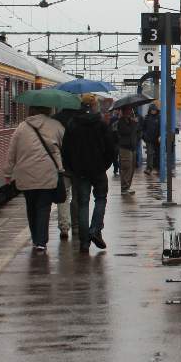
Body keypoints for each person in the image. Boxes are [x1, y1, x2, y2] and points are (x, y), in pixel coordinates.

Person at [3, 105, 64, 252]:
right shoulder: (56, 125)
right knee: (44, 207)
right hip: (47, 173)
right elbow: (64, 145)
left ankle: (35, 238)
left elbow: (12, 152)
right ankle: (41, 242)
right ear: (48, 109)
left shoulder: (21, 128)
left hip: (25, 174)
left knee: (31, 207)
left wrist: (7, 173)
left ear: (32, 110)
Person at [61, 93, 116, 252]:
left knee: (83, 203)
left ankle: (84, 242)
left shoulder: (72, 124)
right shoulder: (101, 124)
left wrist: (72, 168)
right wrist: (104, 165)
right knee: (100, 198)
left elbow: (65, 150)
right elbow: (110, 148)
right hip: (98, 170)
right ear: (94, 106)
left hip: (80, 171)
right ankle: (95, 230)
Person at [53, 105, 80, 240]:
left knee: (63, 196)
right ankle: (76, 226)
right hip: (78, 165)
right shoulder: (80, 119)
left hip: (62, 164)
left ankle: (64, 226)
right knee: (77, 196)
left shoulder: (55, 121)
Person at [115, 106, 141, 194]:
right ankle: (124, 187)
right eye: (129, 110)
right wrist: (134, 124)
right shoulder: (121, 122)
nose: (130, 111)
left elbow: (136, 132)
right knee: (126, 167)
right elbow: (126, 131)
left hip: (132, 147)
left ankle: (128, 186)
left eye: (131, 109)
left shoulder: (130, 121)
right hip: (125, 147)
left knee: (132, 168)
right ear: (124, 111)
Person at [142, 103, 162, 176]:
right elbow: (143, 128)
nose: (153, 111)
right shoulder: (146, 118)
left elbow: (161, 128)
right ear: (149, 110)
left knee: (157, 154)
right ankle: (149, 168)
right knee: (150, 154)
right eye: (152, 110)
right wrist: (144, 136)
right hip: (149, 139)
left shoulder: (159, 118)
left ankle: (158, 168)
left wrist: (160, 136)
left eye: (154, 110)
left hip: (157, 140)